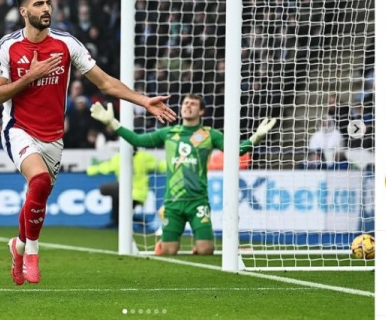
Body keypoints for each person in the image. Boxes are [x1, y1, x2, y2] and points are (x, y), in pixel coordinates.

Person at [0, 0, 177, 286]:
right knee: (39, 180)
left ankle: (18, 245)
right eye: (38, 4)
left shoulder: (66, 44)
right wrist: (32, 76)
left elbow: (105, 83)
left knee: (38, 194)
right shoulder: (8, 46)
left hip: (53, 137)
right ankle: (32, 252)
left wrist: (143, 101)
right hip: (19, 128)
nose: (46, 8)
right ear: (23, 11)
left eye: (48, 2)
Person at [90, 93, 276, 256]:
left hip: (198, 202)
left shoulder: (210, 135)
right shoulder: (169, 133)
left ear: (201, 111)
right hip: (173, 203)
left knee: (206, 250)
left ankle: (200, 245)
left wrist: (256, 137)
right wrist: (112, 123)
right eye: (186, 103)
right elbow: (137, 140)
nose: (188, 106)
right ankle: (164, 243)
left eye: (193, 104)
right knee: (168, 251)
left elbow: (235, 150)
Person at [86, 146, 167, 228]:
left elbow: (104, 167)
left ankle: (123, 221)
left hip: (133, 193)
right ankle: (125, 220)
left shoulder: (121, 158)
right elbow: (160, 165)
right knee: (118, 200)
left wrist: (89, 170)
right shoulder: (144, 157)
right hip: (137, 193)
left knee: (109, 191)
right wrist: (172, 167)